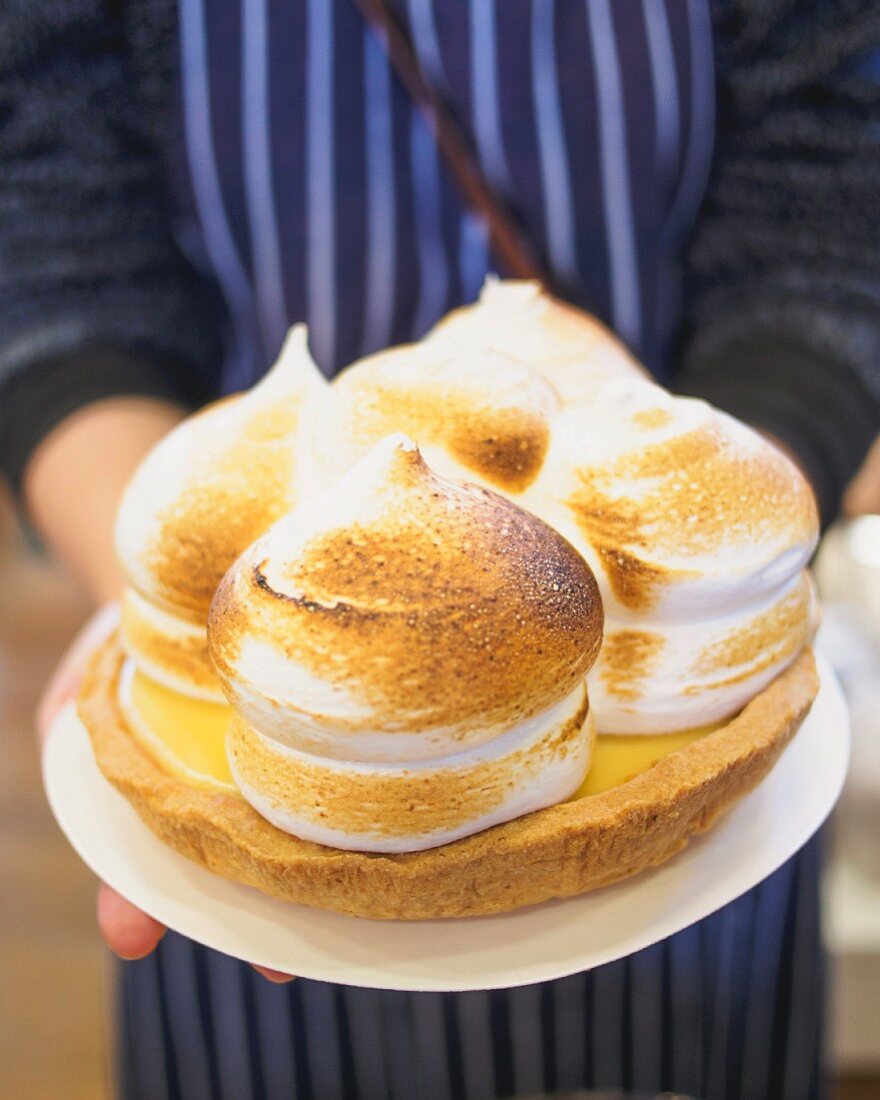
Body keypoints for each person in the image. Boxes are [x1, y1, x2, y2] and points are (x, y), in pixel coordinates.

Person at [2, 1, 879, 1097]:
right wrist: (136, 580)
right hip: (268, 702)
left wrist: (721, 545)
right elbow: (55, 243)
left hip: (679, 696)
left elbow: (827, 213)